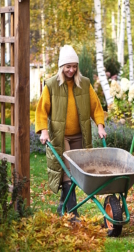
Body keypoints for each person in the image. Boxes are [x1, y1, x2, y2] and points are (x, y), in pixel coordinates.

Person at [35, 45, 107, 218]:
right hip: (62, 137)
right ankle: (73, 214)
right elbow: (41, 110)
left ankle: (62, 206)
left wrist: (100, 126)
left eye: (74, 66)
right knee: (69, 171)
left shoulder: (84, 84)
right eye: (68, 66)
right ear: (61, 67)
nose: (71, 70)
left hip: (80, 135)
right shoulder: (52, 85)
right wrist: (44, 131)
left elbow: (95, 106)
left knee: (76, 172)